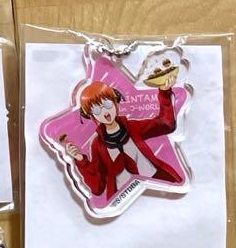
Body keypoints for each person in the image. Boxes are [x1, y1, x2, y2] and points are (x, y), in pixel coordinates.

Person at [65, 74, 181, 203]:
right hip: (124, 197)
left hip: (157, 185)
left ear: (115, 101)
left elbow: (166, 125)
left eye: (107, 104)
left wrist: (164, 94)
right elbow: (97, 187)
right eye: (97, 110)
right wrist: (81, 161)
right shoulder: (97, 144)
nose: (105, 112)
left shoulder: (133, 127)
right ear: (91, 116)